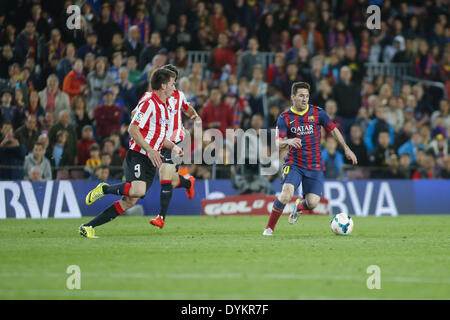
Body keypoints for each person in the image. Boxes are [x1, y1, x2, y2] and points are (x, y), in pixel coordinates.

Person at [79, 67, 182, 239]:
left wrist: (173, 147)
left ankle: (88, 226)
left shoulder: (164, 107)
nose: (175, 88)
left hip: (151, 158)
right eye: (172, 83)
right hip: (139, 154)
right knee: (138, 190)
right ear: (163, 86)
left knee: (129, 201)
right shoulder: (149, 102)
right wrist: (149, 150)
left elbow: (157, 137)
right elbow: (132, 128)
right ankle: (104, 189)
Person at [263, 82, 357, 236]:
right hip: (294, 163)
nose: (304, 99)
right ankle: (269, 229)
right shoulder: (285, 117)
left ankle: (299, 207)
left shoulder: (317, 113)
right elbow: (277, 141)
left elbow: (333, 130)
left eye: (306, 96)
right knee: (286, 194)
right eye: (301, 96)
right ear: (293, 97)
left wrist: (346, 148)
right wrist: (288, 141)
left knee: (312, 203)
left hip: (314, 165)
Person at [138, 65, 200, 229]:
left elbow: (187, 108)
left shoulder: (178, 96)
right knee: (170, 180)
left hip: (176, 141)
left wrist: (195, 116)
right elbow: (138, 112)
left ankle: (161, 218)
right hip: (159, 142)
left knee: (165, 174)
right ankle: (187, 183)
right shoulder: (151, 97)